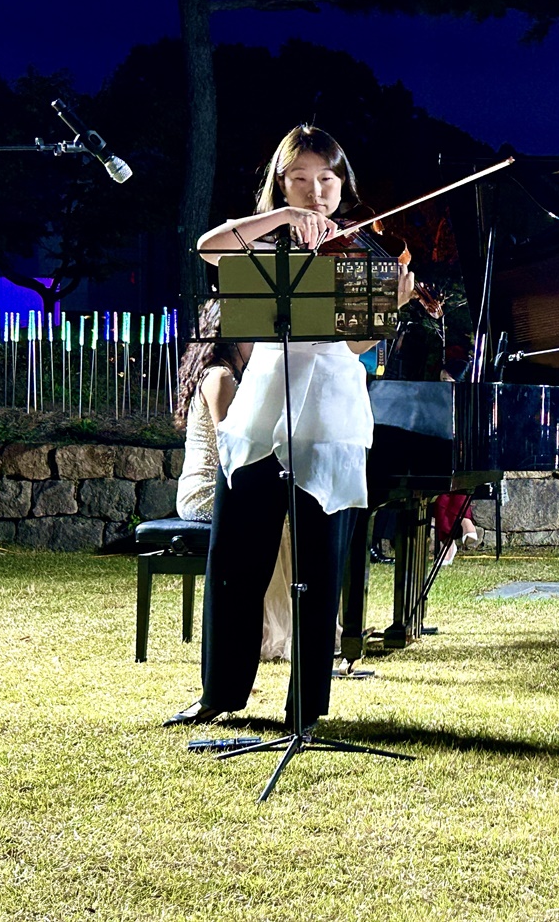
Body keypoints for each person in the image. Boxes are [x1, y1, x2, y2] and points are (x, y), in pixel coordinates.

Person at [165, 124, 421, 728]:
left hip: (329, 411)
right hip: (262, 408)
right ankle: (218, 695)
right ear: (281, 184)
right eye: (299, 180)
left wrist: (392, 309)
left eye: (325, 181)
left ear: (342, 186)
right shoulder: (263, 242)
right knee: (235, 560)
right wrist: (280, 218)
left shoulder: (358, 256)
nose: (314, 192)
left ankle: (307, 709)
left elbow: (355, 342)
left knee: (319, 567)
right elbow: (207, 246)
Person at [173, 301, 295, 662]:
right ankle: (269, 631)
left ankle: (290, 626)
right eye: (254, 336)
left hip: (227, 482)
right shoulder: (220, 377)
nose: (260, 345)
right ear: (232, 338)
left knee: (282, 516)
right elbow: (234, 442)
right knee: (276, 520)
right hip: (205, 491)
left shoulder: (229, 375)